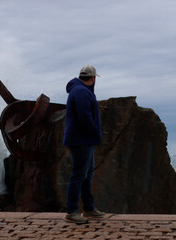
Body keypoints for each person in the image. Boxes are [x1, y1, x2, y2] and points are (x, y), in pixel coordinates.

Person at [63, 65, 105, 224]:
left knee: (87, 174)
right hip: (81, 140)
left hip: (83, 139)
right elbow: (84, 117)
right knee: (79, 174)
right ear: (93, 78)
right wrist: (95, 131)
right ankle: (72, 210)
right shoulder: (81, 92)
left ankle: (88, 208)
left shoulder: (80, 90)